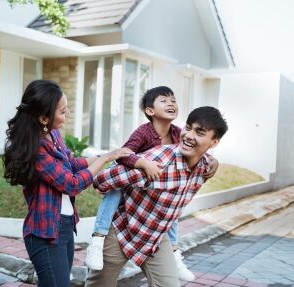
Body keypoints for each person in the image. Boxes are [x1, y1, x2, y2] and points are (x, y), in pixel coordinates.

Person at [2, 80, 133, 287]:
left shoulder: (53, 134)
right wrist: (103, 160)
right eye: (63, 112)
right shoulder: (37, 149)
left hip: (64, 226)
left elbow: (72, 164)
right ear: (44, 118)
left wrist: (106, 155)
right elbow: (71, 184)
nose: (67, 114)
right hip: (45, 233)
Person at [85, 86, 219, 281]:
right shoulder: (145, 135)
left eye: (173, 100)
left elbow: (197, 148)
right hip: (125, 213)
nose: (171, 103)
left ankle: (174, 252)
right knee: (100, 282)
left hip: (155, 229)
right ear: (150, 111)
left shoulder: (180, 137)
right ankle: (98, 238)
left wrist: (214, 161)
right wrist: (143, 164)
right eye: (164, 100)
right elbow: (124, 155)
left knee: (173, 211)